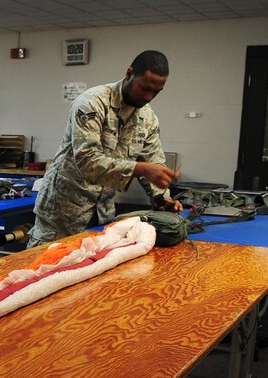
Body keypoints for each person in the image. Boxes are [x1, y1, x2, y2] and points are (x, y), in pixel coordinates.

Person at [27, 50, 182, 248]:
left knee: (91, 272)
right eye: (144, 88)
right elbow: (88, 161)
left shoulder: (148, 118)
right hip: (62, 212)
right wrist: (141, 168)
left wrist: (162, 197)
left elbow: (154, 162)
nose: (148, 96)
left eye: (156, 92)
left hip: (102, 214)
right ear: (129, 74)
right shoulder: (92, 103)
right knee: (42, 271)